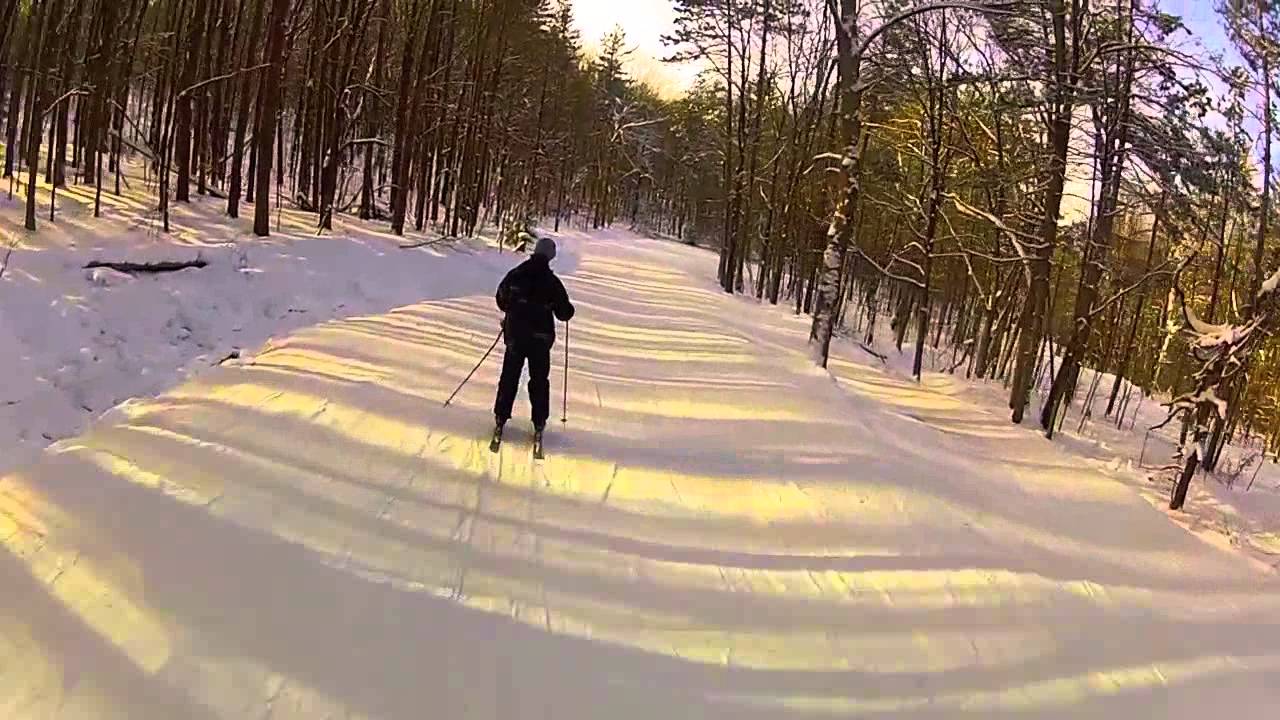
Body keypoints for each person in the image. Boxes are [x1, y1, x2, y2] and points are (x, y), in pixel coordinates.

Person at [493, 235, 574, 441]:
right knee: (539, 380)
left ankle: (501, 416)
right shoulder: (552, 282)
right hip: (541, 339)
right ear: (551, 256)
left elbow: (501, 298)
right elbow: (564, 313)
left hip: (516, 336)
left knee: (509, 376)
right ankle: (539, 421)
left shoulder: (516, 274)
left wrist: (514, 307)